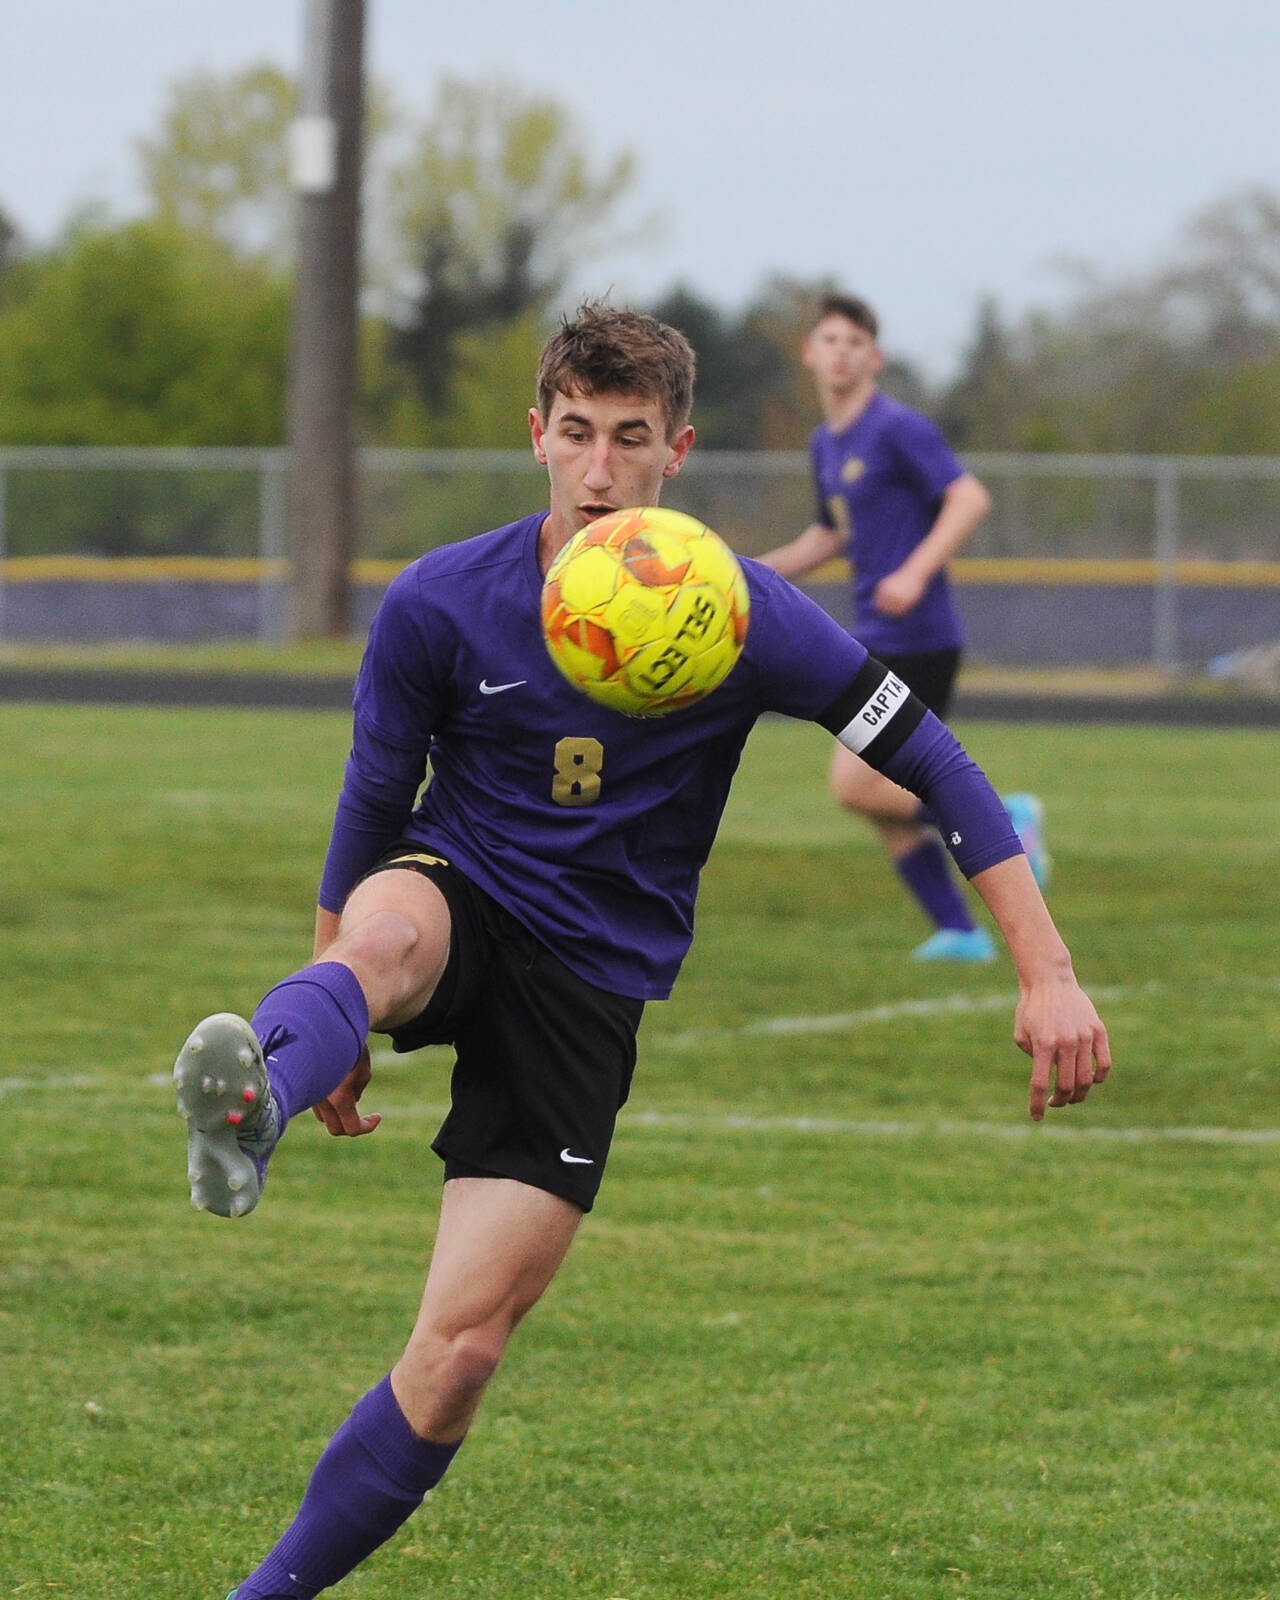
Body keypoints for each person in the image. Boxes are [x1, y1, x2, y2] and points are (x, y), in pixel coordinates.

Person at [174, 302, 1111, 1600]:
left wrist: (1049, 970)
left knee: (458, 1355)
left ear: (677, 448)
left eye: (628, 438)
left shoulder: (747, 617)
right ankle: (258, 1090)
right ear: (538, 438)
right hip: (461, 892)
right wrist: (322, 1024)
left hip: (591, 988)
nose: (600, 469)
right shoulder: (442, 603)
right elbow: (369, 815)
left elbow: (932, 759)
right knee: (389, 930)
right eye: (574, 434)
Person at [760, 292, 1048, 963]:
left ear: (875, 357)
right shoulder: (825, 442)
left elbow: (969, 497)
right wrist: (742, 574)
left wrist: (917, 570)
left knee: (855, 783)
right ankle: (960, 932)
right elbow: (828, 534)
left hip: (919, 634)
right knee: (883, 797)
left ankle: (1003, 818)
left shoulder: (898, 428)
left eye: (854, 342)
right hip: (876, 633)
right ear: (809, 353)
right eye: (828, 340)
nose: (840, 352)